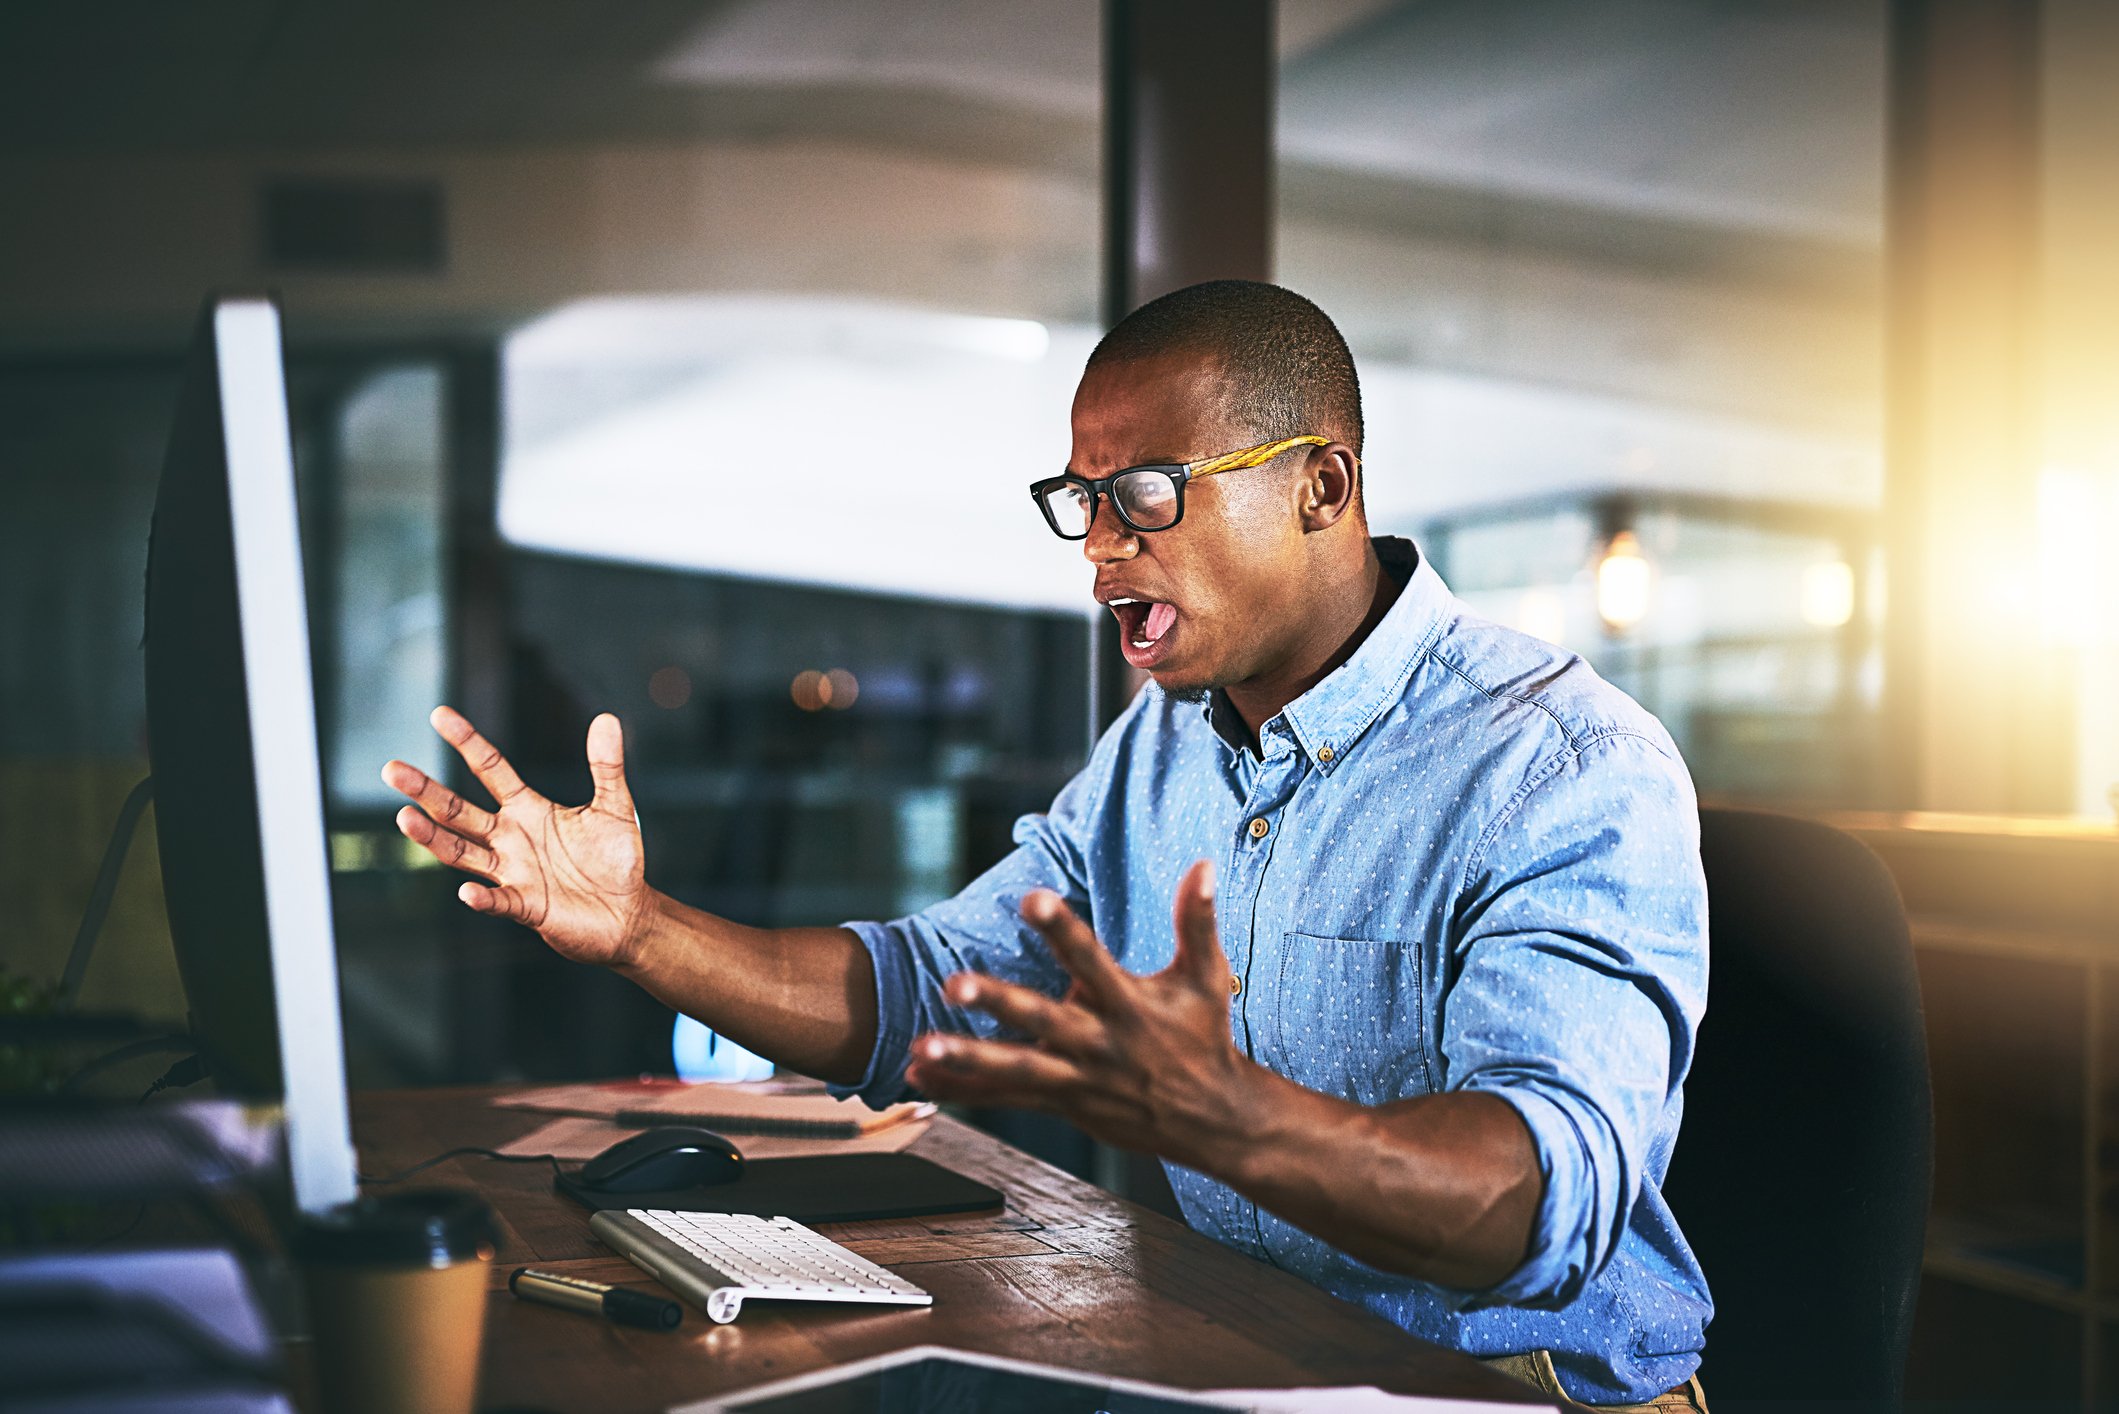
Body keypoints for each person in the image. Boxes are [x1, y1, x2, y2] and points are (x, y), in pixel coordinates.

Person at [384, 280, 1710, 1409]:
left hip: (1521, 1390)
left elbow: (1543, 1202)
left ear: (1323, 486)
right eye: (1084, 504)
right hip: (1262, 1358)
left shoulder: (1564, 767)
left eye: (1144, 496)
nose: (1101, 560)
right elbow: (929, 990)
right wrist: (638, 929)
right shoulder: (1162, 747)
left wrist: (1235, 1118)